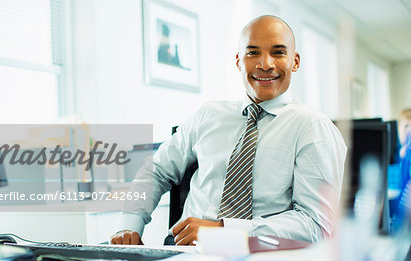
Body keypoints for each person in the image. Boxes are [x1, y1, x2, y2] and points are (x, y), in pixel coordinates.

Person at [110, 15, 347, 245]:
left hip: (259, 259)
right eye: (253, 52)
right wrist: (129, 224)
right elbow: (156, 170)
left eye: (278, 52)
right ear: (238, 61)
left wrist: (225, 231)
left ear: (295, 61)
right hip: (183, 252)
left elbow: (316, 225)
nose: (265, 64)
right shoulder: (208, 114)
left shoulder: (314, 128)